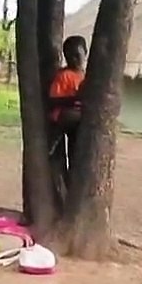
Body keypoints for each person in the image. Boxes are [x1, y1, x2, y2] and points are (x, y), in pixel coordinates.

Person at [49, 35, 87, 195]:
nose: (74, 59)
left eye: (78, 55)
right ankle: (54, 139)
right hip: (64, 116)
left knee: (75, 154)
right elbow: (53, 100)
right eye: (70, 56)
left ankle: (72, 184)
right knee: (73, 115)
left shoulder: (86, 75)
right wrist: (76, 98)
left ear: (85, 53)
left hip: (78, 122)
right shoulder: (64, 75)